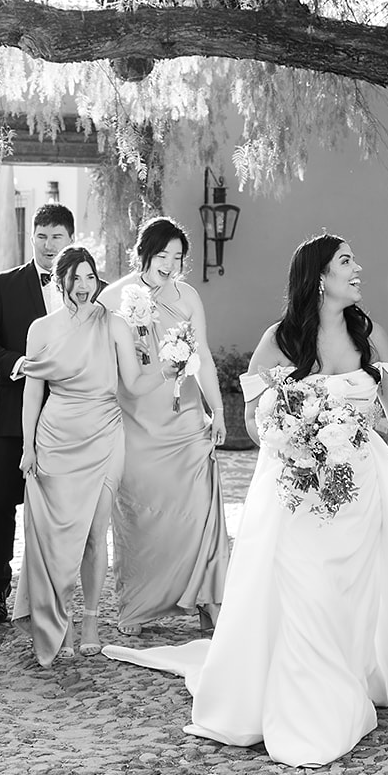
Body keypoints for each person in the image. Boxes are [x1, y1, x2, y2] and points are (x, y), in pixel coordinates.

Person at [103, 235, 388, 767]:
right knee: (306, 589)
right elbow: (257, 423)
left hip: (363, 487)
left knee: (352, 593)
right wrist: (297, 439)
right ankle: (313, 706)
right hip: (299, 490)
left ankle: (350, 674)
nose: (358, 269)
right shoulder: (278, 340)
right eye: (346, 261)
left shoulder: (368, 335)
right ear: (319, 277)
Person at [96, 217, 230, 636]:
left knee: (200, 510)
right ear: (144, 253)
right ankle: (137, 605)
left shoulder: (188, 297)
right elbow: (101, 367)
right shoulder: (113, 297)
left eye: (178, 257)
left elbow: (203, 354)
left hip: (186, 416)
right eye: (163, 256)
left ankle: (208, 599)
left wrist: (218, 410)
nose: (170, 265)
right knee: (140, 514)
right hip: (136, 421)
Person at [12, 244, 127, 666]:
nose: (84, 286)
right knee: (59, 538)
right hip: (56, 438)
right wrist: (28, 447)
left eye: (90, 277)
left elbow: (132, 380)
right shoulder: (41, 329)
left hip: (105, 433)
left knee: (97, 531)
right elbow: (32, 392)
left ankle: (92, 620)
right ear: (60, 281)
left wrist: (173, 368)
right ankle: (57, 621)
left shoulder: (113, 323)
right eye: (75, 278)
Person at [0, 203, 78, 627]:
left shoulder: (93, 286)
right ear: (32, 238)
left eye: (57, 236)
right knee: (0, 500)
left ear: (71, 238)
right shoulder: (3, 285)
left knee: (63, 507)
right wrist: (20, 364)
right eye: (42, 236)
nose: (49, 244)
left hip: (72, 418)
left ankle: (54, 592)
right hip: (14, 415)